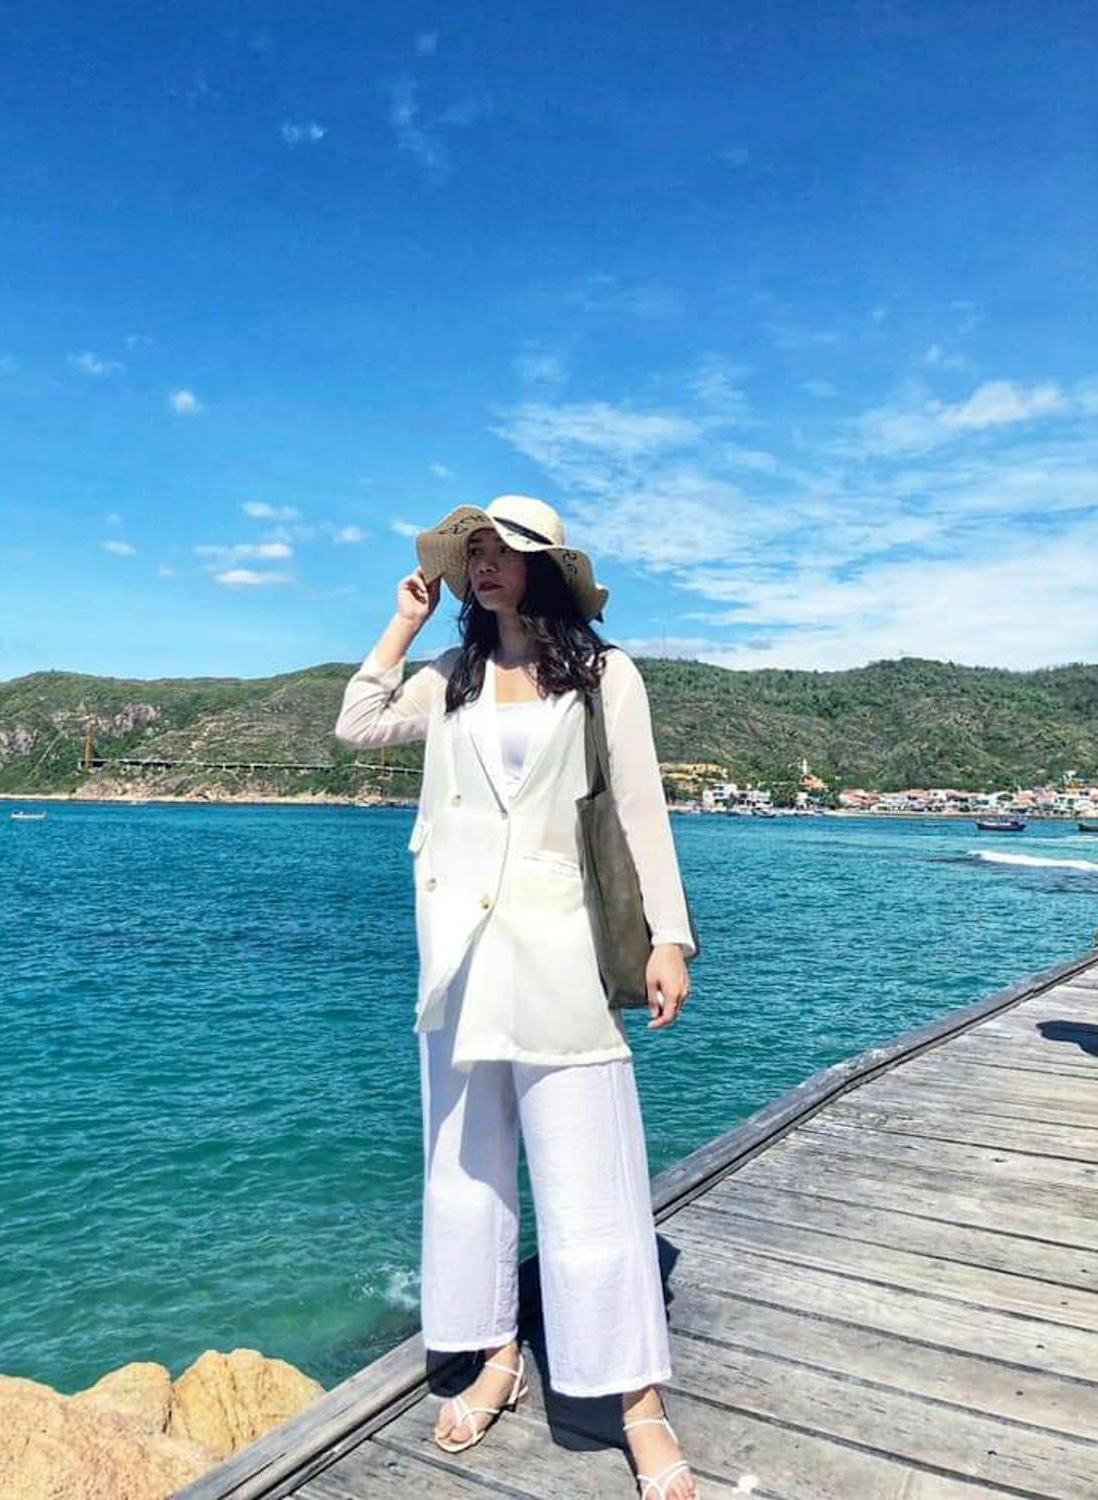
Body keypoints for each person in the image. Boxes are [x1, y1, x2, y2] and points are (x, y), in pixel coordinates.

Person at [334, 494, 699, 1500]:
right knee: (466, 1169)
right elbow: (356, 723)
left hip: (560, 945)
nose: (486, 565)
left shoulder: (606, 675)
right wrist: (403, 621)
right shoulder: (448, 675)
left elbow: (639, 806)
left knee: (593, 1180)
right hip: (456, 950)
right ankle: (494, 1350)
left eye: (506, 553)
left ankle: (635, 1402)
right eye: (475, 553)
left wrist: (669, 935)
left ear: (547, 569)